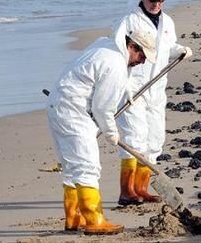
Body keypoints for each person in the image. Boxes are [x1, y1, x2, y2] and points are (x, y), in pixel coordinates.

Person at [46, 16, 157, 235]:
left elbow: (98, 77)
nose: (142, 61)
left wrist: (126, 91)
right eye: (141, 55)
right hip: (74, 112)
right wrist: (111, 132)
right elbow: (102, 108)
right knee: (88, 166)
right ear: (131, 46)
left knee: (71, 166)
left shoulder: (104, 44)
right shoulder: (115, 64)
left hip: (57, 104)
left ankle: (73, 218)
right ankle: (94, 221)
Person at [113, 0, 192, 206]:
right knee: (134, 138)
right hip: (132, 89)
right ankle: (127, 192)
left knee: (155, 139)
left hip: (156, 90)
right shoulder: (128, 21)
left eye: (160, 0)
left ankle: (142, 188)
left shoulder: (167, 21)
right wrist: (123, 87)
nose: (156, 4)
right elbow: (118, 55)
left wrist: (180, 51)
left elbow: (168, 48)